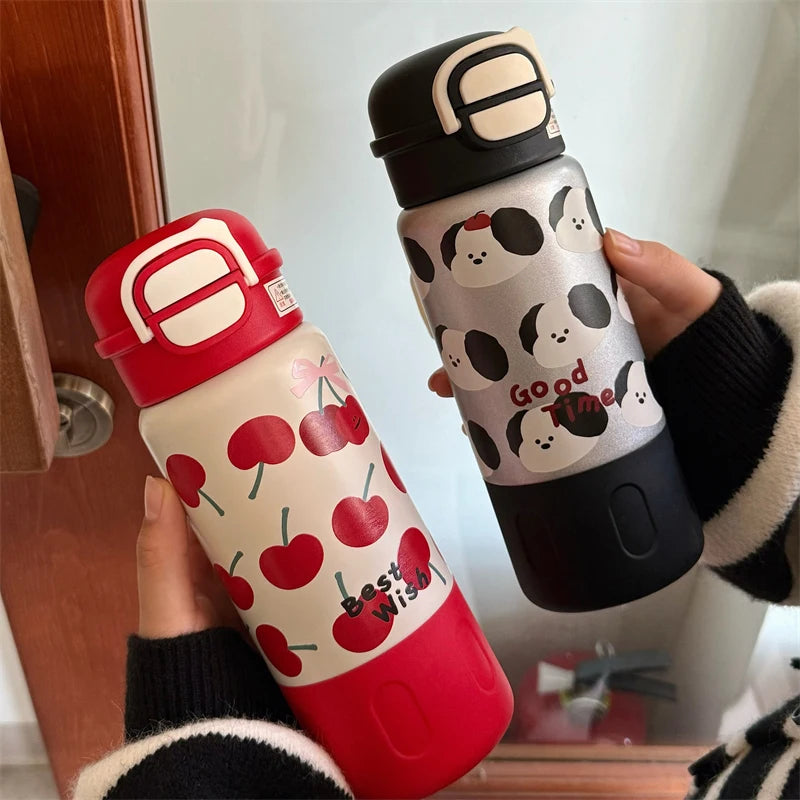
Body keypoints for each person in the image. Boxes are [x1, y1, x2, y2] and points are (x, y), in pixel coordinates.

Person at [73, 230, 799, 800]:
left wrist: (203, 772)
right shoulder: (190, 413)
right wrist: (762, 438)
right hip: (354, 641)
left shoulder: (282, 359)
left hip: (407, 607)